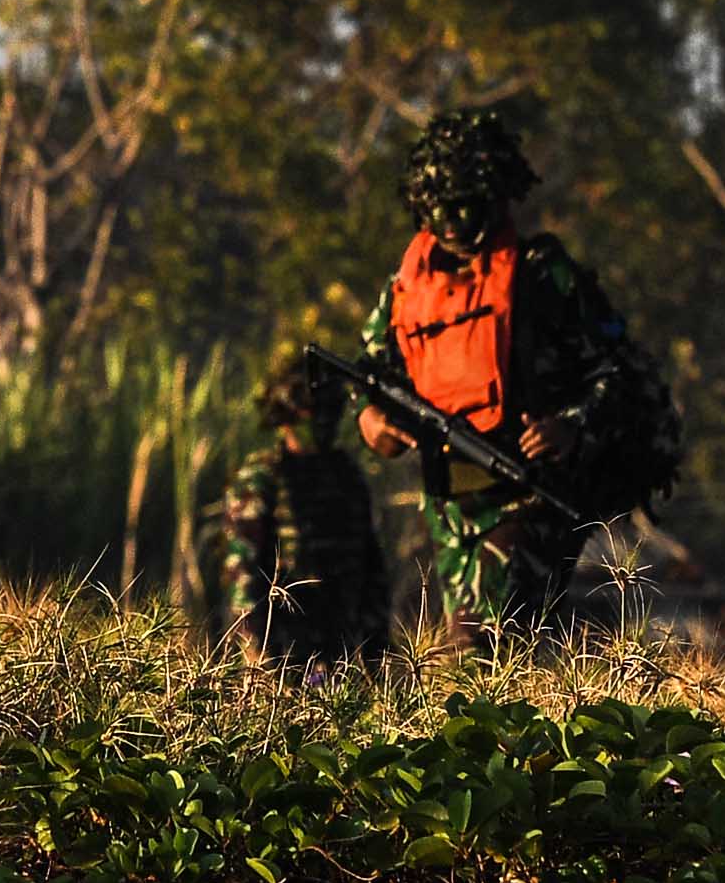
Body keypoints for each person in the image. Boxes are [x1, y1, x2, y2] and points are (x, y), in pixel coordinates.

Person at [355, 107, 657, 644]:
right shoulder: (406, 289)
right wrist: (372, 419)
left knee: (484, 641)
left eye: (464, 206)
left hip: (531, 488)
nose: (451, 222)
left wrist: (571, 425)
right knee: (487, 652)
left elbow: (620, 372)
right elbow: (374, 372)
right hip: (450, 505)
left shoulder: (542, 275)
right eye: (438, 208)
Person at [219, 350, 392, 668]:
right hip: (285, 651)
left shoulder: (346, 475)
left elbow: (371, 565)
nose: (325, 420)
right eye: (315, 410)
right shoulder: (261, 477)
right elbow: (243, 575)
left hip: (343, 647)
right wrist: (258, 656)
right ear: (289, 413)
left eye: (331, 409)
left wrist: (374, 648)